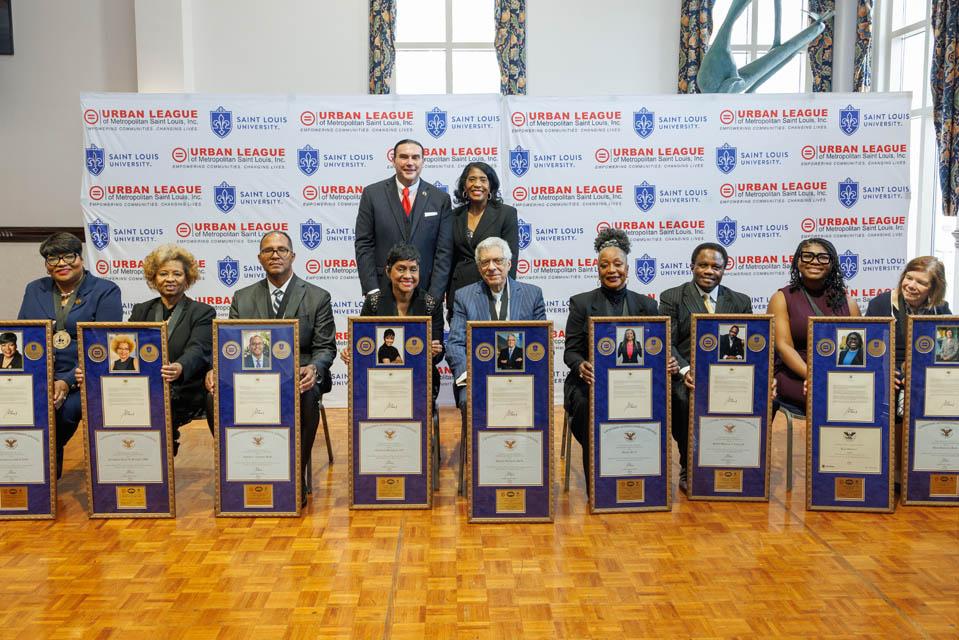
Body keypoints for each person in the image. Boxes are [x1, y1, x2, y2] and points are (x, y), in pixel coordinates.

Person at [205, 231, 336, 505]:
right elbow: (231, 348)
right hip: (253, 378)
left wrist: (314, 367)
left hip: (299, 376)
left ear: (292, 256)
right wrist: (217, 369)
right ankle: (243, 466)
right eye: (268, 250)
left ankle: (294, 474)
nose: (275, 255)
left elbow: (325, 348)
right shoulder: (242, 298)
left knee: (309, 394)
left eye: (281, 250)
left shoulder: (317, 296)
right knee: (212, 395)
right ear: (260, 258)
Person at [564, 228, 678, 490]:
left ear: (628, 268)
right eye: (605, 265)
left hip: (635, 381)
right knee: (584, 404)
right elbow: (571, 351)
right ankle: (599, 477)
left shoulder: (646, 306)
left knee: (662, 398)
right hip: (590, 382)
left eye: (618, 264)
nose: (612, 270)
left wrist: (670, 360)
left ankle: (643, 471)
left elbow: (660, 347)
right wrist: (581, 366)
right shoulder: (581, 304)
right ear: (597, 269)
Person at [17, 232, 122, 477]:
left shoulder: (105, 290)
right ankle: (22, 470)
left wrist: (66, 381)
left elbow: (102, 347)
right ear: (46, 264)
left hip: (85, 378)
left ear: (80, 257)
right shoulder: (34, 289)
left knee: (60, 411)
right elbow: (24, 334)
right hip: (40, 375)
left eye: (68, 256)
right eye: (53, 259)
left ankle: (42, 475)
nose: (61, 264)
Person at [660, 242, 752, 490]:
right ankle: (689, 466)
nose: (709, 271)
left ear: (724, 269)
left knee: (761, 400)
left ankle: (733, 462)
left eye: (716, 266)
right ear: (692, 267)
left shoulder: (740, 301)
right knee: (682, 399)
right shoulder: (672, 297)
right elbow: (667, 341)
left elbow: (747, 346)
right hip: (686, 375)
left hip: (728, 376)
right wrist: (685, 370)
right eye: (703, 265)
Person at [130, 245, 215, 455]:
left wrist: (180, 366)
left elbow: (199, 349)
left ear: (187, 279)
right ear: (153, 278)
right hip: (146, 386)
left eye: (177, 274)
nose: (170, 279)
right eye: (163, 274)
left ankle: (161, 455)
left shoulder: (202, 312)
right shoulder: (141, 310)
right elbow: (129, 346)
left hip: (185, 386)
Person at [447, 236, 546, 407]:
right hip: (478, 375)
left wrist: (530, 375)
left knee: (537, 400)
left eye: (498, 261)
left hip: (522, 375)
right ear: (479, 268)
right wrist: (467, 375)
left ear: (509, 264)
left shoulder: (532, 295)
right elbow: (455, 344)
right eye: (485, 262)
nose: (491, 267)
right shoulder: (464, 297)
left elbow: (541, 343)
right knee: (469, 400)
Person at [341, 243, 444, 401]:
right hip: (379, 377)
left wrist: (433, 351)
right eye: (401, 269)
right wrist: (352, 353)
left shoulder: (431, 304)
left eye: (413, 269)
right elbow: (363, 344)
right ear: (388, 271)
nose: (408, 275)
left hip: (419, 377)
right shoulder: (373, 302)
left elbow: (438, 356)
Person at [354, 139, 453, 301]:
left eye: (415, 157)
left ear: (423, 161)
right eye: (404, 157)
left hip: (426, 292)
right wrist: (371, 289)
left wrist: (434, 294)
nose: (410, 162)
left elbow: (444, 251)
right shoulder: (372, 194)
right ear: (393, 160)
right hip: (382, 292)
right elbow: (364, 244)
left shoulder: (440, 199)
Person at [768, 237, 860, 409]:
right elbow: (783, 346)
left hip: (838, 377)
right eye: (807, 256)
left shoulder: (848, 303)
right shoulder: (781, 298)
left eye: (823, 257)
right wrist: (813, 376)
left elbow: (856, 350)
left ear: (832, 264)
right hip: (796, 376)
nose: (815, 262)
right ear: (797, 261)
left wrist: (840, 379)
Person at [448, 162, 518, 317]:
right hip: (460, 290)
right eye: (471, 179)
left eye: (483, 179)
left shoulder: (506, 214)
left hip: (493, 288)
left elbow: (510, 258)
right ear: (464, 186)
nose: (477, 184)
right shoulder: (453, 216)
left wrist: (506, 294)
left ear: (491, 185)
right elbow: (448, 259)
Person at [865, 256, 951, 369]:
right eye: (909, 278)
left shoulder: (941, 309)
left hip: (927, 373)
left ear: (934, 288)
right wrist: (887, 375)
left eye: (921, 283)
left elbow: (947, 353)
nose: (911, 286)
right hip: (890, 374)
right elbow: (867, 352)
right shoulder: (879, 305)